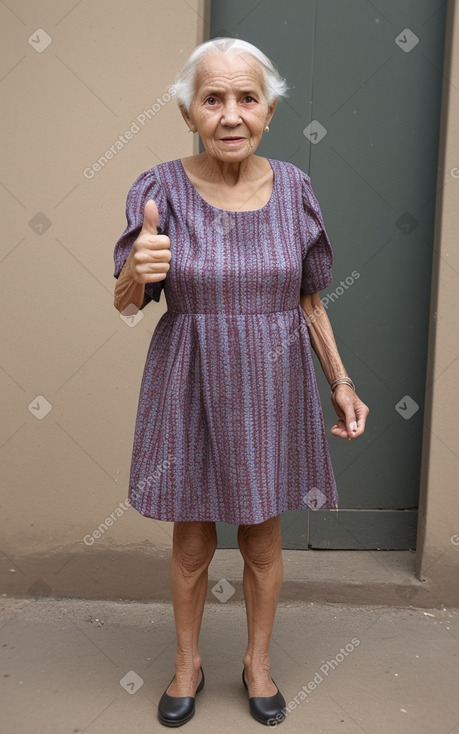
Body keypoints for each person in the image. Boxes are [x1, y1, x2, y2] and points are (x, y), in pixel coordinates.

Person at [113, 37, 369, 727]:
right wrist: (140, 267)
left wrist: (341, 382)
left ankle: (256, 662)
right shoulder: (157, 190)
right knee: (192, 540)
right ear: (187, 109)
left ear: (270, 109)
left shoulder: (294, 188)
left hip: (272, 382)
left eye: (246, 98)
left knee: (261, 536)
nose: (230, 114)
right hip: (190, 378)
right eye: (212, 98)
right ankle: (187, 663)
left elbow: (309, 299)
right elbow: (127, 304)